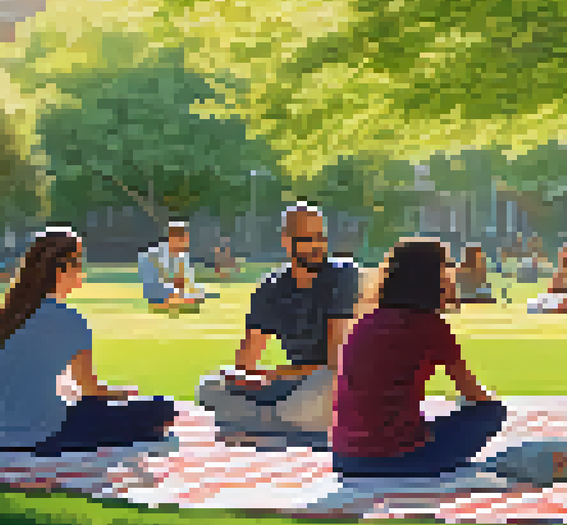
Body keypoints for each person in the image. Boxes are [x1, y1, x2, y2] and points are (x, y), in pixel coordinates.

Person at [0, 227, 176, 456]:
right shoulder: (68, 319)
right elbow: (88, 388)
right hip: (42, 434)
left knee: (95, 408)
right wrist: (122, 393)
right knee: (161, 407)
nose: (82, 269)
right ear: (62, 268)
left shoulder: (8, 317)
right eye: (78, 262)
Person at [332, 238, 506, 477]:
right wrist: (490, 400)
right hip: (395, 458)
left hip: (345, 457)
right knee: (490, 413)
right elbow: (473, 393)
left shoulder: (366, 321)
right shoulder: (430, 326)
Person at [194, 203, 359, 447]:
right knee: (209, 388)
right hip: (295, 384)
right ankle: (276, 421)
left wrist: (272, 375)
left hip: (335, 379)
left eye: (321, 238)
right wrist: (243, 378)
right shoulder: (270, 288)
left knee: (320, 391)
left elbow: (336, 361)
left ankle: (266, 421)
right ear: (286, 240)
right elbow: (247, 361)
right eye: (307, 239)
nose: (317, 247)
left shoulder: (343, 275)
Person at [139, 221, 211, 310]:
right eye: (182, 238)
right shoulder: (155, 254)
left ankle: (175, 301)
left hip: (170, 289)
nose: (185, 242)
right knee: (170, 291)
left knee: (198, 290)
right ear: (172, 237)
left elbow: (187, 281)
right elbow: (158, 281)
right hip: (157, 288)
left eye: (185, 238)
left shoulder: (182, 255)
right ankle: (168, 302)